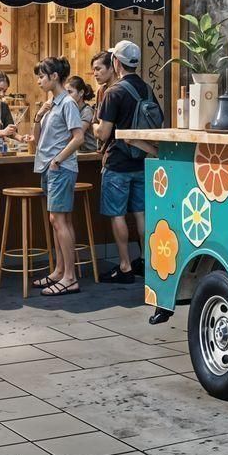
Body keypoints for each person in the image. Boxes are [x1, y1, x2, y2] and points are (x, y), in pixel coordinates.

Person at [95, 40, 159, 284]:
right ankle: (145, 260)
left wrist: (91, 126)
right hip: (141, 160)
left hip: (118, 162)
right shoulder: (147, 89)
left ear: (116, 62)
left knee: (118, 215)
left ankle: (124, 266)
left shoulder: (114, 92)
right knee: (141, 213)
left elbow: (103, 133)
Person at [31, 56, 85, 297]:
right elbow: (38, 139)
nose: (39, 81)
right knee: (58, 220)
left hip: (60, 168)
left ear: (54, 76)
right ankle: (59, 271)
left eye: (42, 76)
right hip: (49, 167)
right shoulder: (52, 104)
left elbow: (78, 137)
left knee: (59, 220)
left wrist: (58, 160)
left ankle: (70, 278)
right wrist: (38, 116)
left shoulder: (67, 103)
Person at [89, 50, 116, 140]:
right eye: (94, 70)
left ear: (111, 68)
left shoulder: (119, 91)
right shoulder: (101, 91)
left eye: (98, 69)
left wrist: (96, 126)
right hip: (103, 145)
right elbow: (95, 120)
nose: (95, 74)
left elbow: (102, 132)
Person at [65, 76, 97, 148]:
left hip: (88, 152)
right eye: (65, 93)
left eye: (70, 92)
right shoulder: (71, 109)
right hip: (75, 151)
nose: (67, 96)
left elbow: (76, 135)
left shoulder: (87, 111)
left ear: (81, 92)